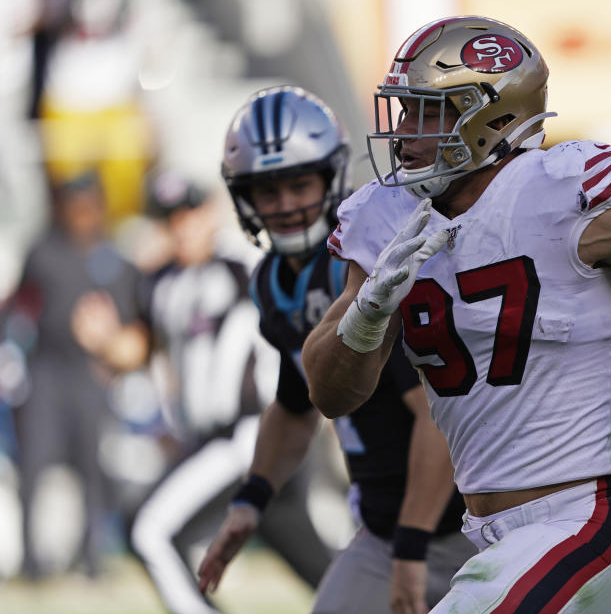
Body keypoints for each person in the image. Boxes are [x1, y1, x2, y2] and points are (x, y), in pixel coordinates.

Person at [303, 16, 611, 613]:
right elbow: (332, 394)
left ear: (492, 117)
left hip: (587, 521)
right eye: (404, 111)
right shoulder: (385, 216)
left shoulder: (559, 190)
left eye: (428, 112)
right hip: (488, 533)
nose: (406, 132)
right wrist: (366, 315)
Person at [196, 86, 474, 614]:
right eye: (267, 192)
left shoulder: (370, 265)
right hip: (386, 530)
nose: (285, 207)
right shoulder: (273, 282)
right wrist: (252, 499)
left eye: (299, 185)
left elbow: (436, 417)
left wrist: (412, 548)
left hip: (467, 525)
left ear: (329, 176)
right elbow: (295, 405)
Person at [96, 170, 330, 614]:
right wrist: (105, 343)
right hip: (209, 441)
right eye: (169, 219)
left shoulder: (242, 263)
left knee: (149, 530)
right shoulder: (160, 282)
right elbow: (139, 347)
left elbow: (304, 304)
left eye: (189, 214)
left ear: (210, 212)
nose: (181, 228)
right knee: (313, 560)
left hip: (250, 434)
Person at [4, 171, 141, 579]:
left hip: (90, 375)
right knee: (33, 466)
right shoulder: (44, 251)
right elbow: (19, 304)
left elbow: (131, 319)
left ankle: (91, 559)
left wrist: (113, 352)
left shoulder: (113, 259)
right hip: (46, 370)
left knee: (93, 467)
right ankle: (31, 563)